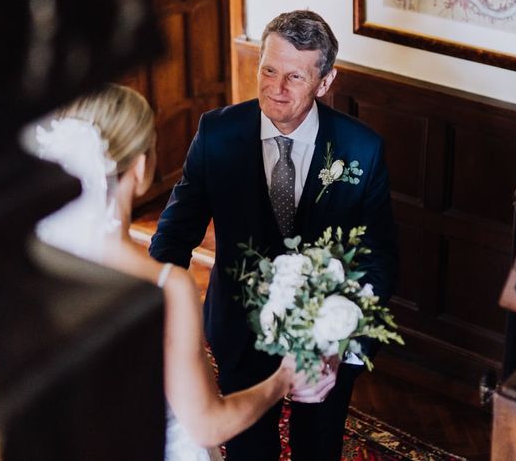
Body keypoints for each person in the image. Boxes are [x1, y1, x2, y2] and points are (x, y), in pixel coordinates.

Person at [35, 84, 336, 461]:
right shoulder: (162, 286)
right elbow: (206, 425)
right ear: (143, 166)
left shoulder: (28, 268)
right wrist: (283, 380)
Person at [150, 9, 399, 460]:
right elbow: (175, 231)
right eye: (268, 69)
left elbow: (378, 256)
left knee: (317, 448)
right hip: (239, 331)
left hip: (324, 339)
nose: (275, 88)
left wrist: (341, 340)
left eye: (294, 77)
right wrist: (157, 307)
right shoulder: (217, 133)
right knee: (248, 450)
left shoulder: (361, 149)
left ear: (325, 82)